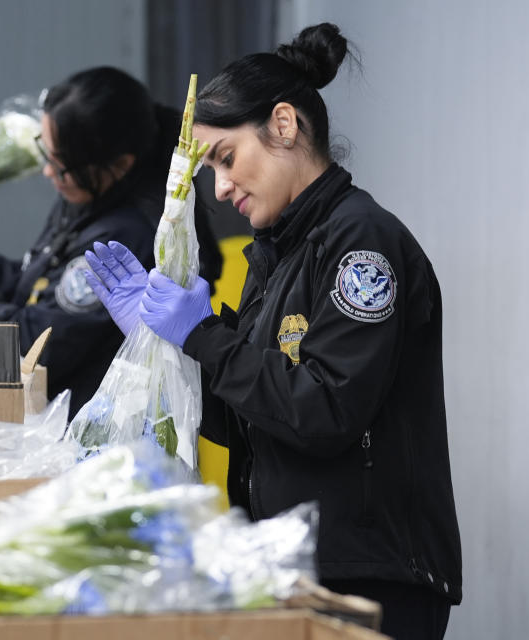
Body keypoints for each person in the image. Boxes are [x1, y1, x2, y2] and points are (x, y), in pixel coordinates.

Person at [85, 24, 461, 640]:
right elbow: (251, 419)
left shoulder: (360, 243)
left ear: (283, 125)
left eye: (226, 159)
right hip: (296, 563)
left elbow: (325, 410)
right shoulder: (276, 251)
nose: (221, 186)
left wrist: (204, 335)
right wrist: (166, 352)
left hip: (367, 576)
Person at [0, 66, 223, 416]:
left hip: (98, 435)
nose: (49, 172)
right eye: (47, 154)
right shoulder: (88, 190)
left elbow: (36, 349)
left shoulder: (126, 236)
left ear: (120, 164)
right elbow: (38, 284)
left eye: (61, 165)